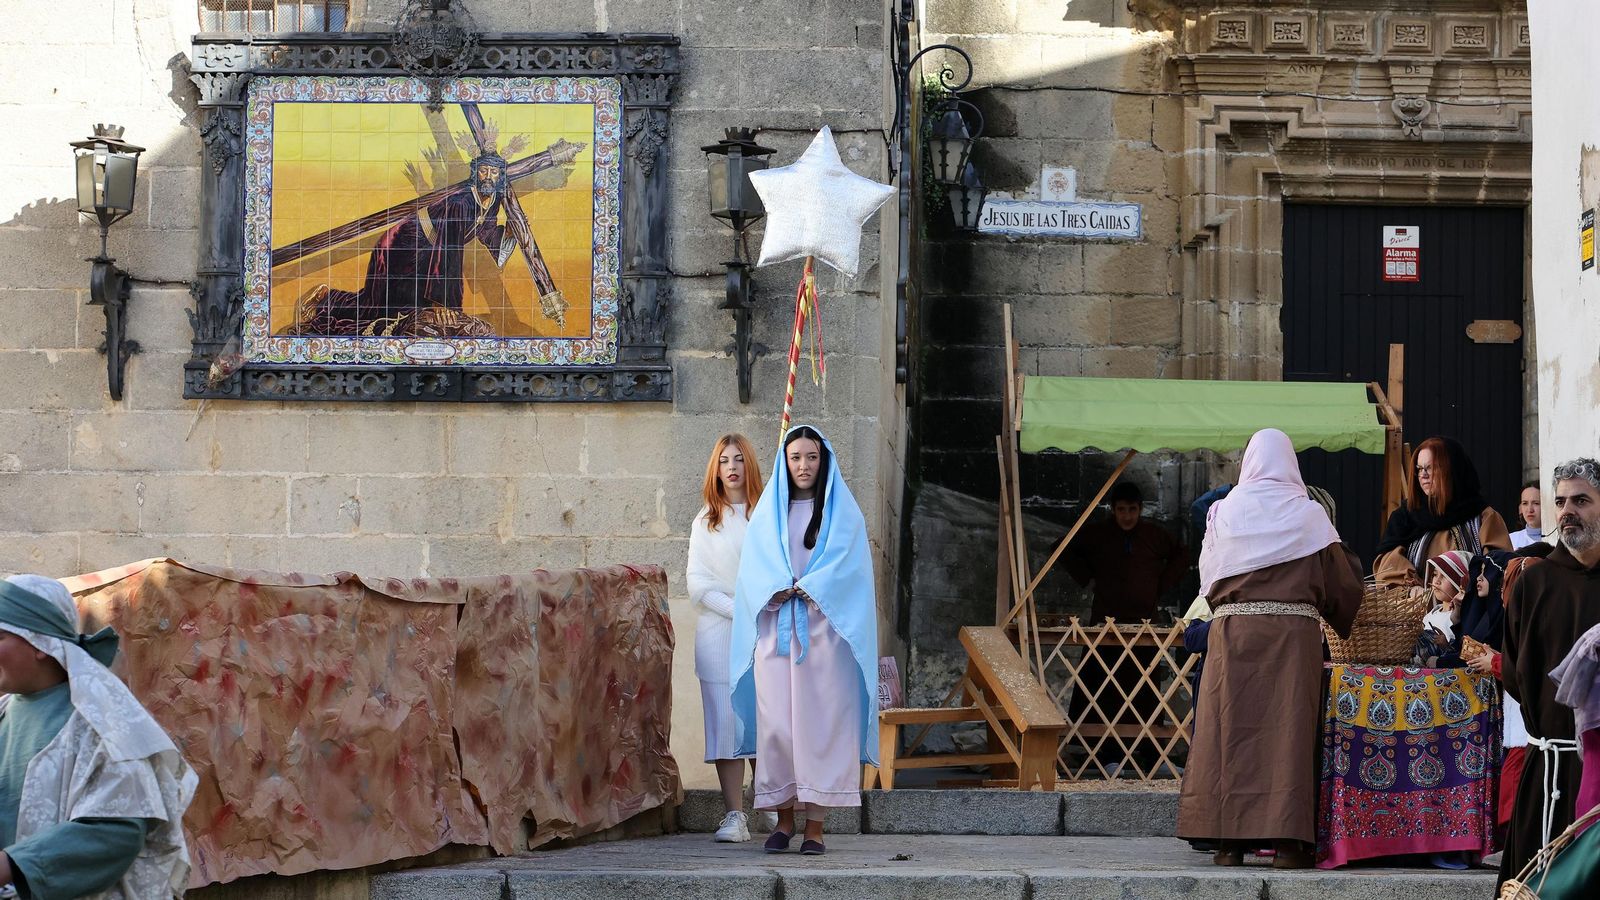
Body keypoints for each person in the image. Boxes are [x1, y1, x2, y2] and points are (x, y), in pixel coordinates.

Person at [1176, 429, 1364, 870]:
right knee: (1287, 737)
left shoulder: (1222, 513)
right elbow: (1341, 584)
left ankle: (1227, 843)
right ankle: (1288, 845)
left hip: (1231, 639)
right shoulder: (1309, 517)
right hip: (1290, 642)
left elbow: (1207, 578)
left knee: (1230, 736)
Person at [730, 426, 878, 856]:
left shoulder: (842, 512)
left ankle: (815, 826)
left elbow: (850, 567)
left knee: (821, 726)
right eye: (795, 457)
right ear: (785, 461)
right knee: (778, 728)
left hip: (825, 633)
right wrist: (775, 587)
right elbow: (751, 571)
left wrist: (813, 585)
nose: (803, 466)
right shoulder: (767, 516)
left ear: (823, 460)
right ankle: (784, 821)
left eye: (811, 457)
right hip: (777, 630)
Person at [0, 574, 196, 898]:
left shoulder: (103, 722)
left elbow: (117, 831)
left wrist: (12, 865)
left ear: (40, 644)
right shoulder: (5, 713)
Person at [1499, 458, 1600, 886]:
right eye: (1560, 501)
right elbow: (1514, 676)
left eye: (1581, 500)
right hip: (1550, 771)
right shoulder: (1533, 583)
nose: (1566, 511)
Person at [1065, 481, 1188, 773]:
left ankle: (1149, 754)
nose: (1127, 516)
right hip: (1108, 623)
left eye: (1132, 510)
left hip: (1144, 623)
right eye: (1122, 510)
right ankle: (1107, 754)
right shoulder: (1099, 535)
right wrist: (1089, 578)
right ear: (1113, 510)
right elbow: (1066, 548)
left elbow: (1182, 555)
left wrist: (1159, 586)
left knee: (1144, 690)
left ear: (1140, 509)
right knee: (1106, 689)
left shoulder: (1154, 535)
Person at [686, 433, 764, 843]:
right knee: (724, 722)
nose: (731, 467)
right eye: (723, 461)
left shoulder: (767, 516)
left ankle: (768, 799)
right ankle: (735, 814)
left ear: (749, 465)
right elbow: (697, 583)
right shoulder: (705, 522)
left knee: (761, 717)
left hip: (764, 631)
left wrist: (757, 613)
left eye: (738, 459)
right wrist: (739, 610)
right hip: (718, 632)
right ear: (715, 469)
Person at [1373, 436, 1512, 586]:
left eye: (1430, 467)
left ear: (1452, 470)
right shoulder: (1405, 517)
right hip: (1417, 606)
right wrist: (1411, 589)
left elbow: (1500, 565)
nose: (1423, 475)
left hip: (1470, 606)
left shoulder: (1483, 517)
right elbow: (1387, 566)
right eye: (1419, 469)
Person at [1512, 480, 1544, 550]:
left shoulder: (1559, 539)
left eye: (1536, 503)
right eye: (1525, 503)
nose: (1530, 510)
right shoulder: (1511, 540)